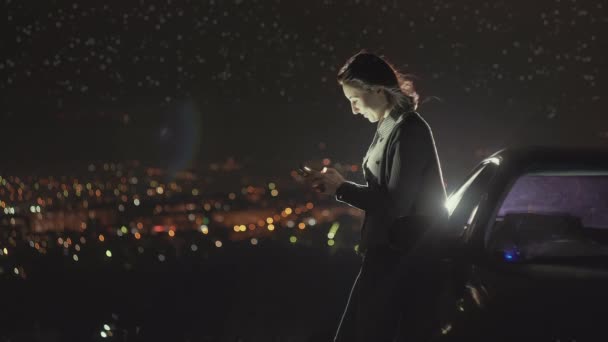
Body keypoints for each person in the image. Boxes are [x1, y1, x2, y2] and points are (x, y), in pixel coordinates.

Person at [303, 50, 448, 341]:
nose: (353, 110)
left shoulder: (409, 130)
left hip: (402, 263)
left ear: (378, 90)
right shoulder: (388, 127)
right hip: (388, 257)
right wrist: (337, 185)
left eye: (354, 100)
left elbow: (395, 205)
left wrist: (341, 188)